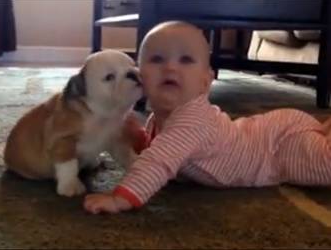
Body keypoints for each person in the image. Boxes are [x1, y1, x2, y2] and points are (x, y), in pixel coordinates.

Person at [83, 21, 331, 214]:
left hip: (279, 149)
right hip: (268, 130)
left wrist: (120, 198)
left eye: (186, 60)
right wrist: (139, 139)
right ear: (140, 76)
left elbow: (158, 162)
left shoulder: (192, 119)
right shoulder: (158, 120)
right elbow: (163, 148)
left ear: (205, 82)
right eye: (157, 59)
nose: (171, 67)